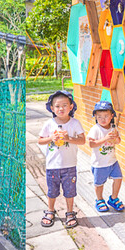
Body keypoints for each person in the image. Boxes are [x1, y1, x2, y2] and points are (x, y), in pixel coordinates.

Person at [38, 90, 86, 228]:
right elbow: (40, 140)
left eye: (65, 105)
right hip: (53, 166)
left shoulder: (75, 123)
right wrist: (51, 138)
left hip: (69, 165)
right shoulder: (49, 123)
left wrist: (68, 138)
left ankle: (70, 212)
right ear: (52, 108)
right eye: (57, 106)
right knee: (52, 191)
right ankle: (50, 211)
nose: (61, 109)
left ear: (71, 107)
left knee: (70, 191)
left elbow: (82, 140)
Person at [87, 101, 125, 213]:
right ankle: (99, 200)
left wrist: (116, 137)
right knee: (99, 184)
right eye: (99, 117)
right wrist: (105, 139)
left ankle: (113, 198)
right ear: (95, 116)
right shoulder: (95, 129)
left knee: (118, 178)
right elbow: (91, 144)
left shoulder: (113, 128)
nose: (103, 119)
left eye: (106, 116)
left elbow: (118, 142)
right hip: (99, 164)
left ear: (112, 115)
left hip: (112, 161)